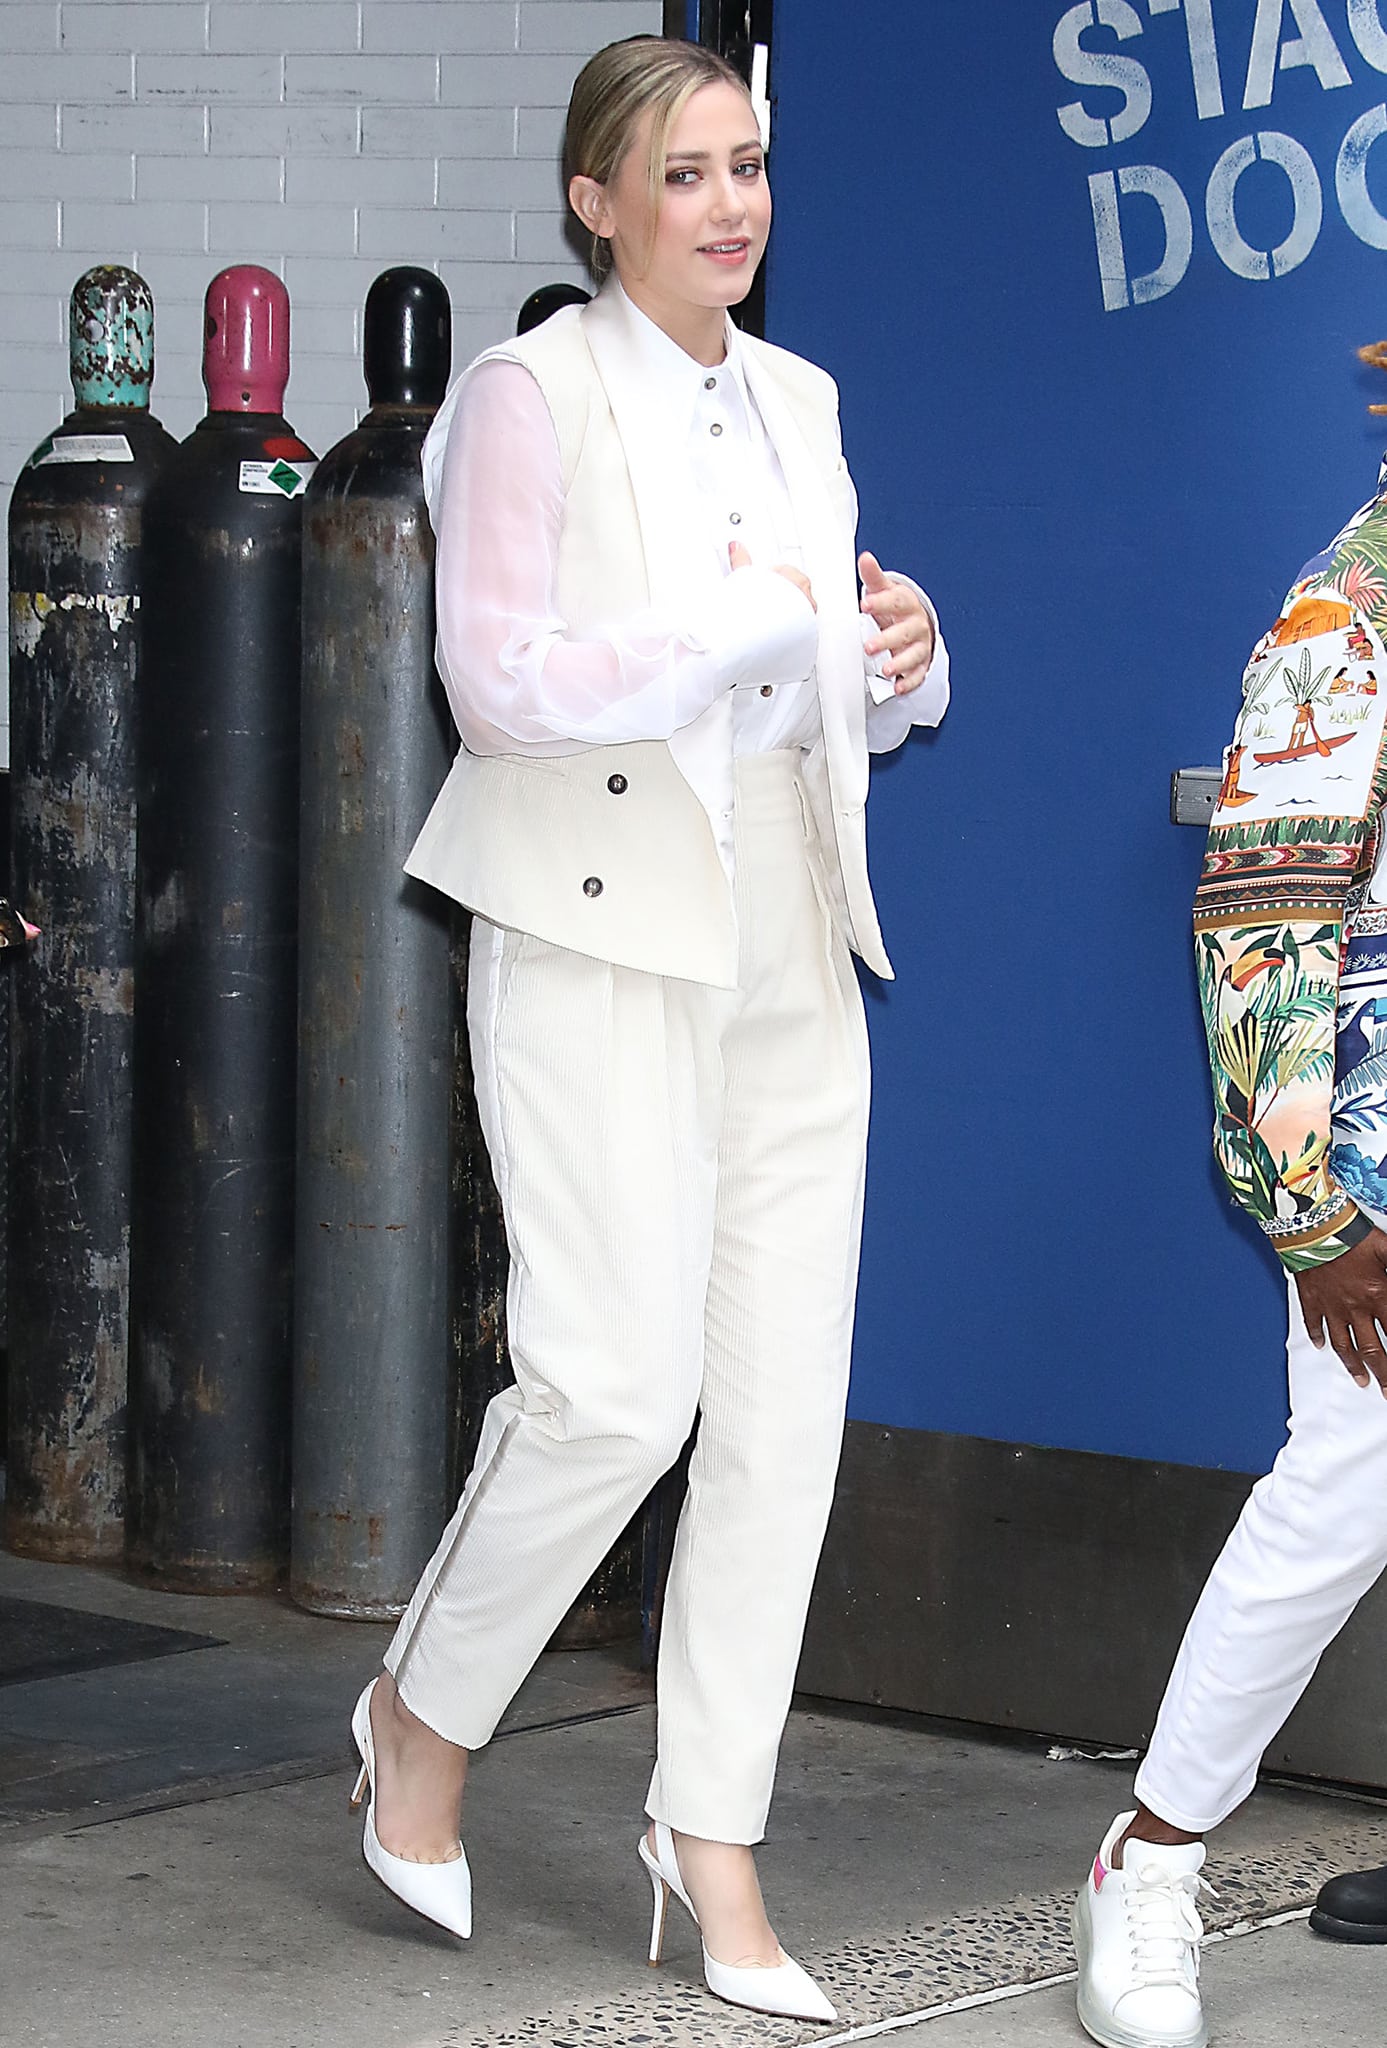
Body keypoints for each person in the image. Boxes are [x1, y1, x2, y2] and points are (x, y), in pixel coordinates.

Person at [346, 35, 949, 2025]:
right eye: (680, 173)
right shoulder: (529, 396)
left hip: (791, 922)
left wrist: (897, 660)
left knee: (776, 1424)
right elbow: (498, 680)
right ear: (595, 204)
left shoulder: (802, 401)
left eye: (746, 165)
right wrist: (734, 632)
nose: (728, 204)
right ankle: (421, 1719)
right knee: (612, 1391)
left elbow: (815, 691)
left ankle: (711, 1837)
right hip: (600, 922)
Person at [1073, 352, 1387, 2048]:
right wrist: (1310, 1209)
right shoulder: (1348, 621)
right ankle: (1155, 1854)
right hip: (1379, 1163)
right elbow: (1261, 916)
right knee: (1346, 1493)